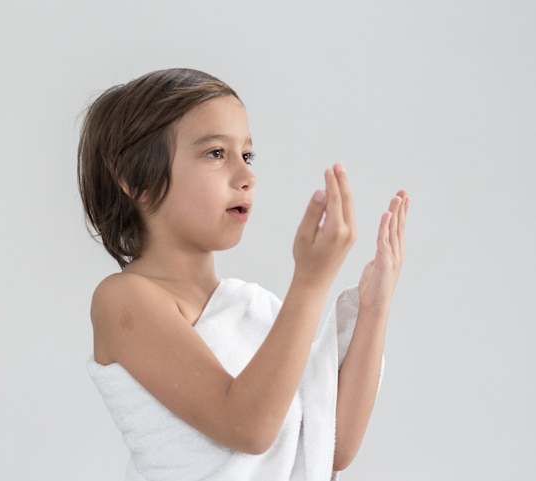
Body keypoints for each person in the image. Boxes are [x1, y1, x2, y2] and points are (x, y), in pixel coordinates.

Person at [78, 68, 409, 481]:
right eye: (216, 153)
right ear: (136, 180)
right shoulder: (124, 299)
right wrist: (310, 282)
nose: (247, 176)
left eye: (247, 155)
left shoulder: (253, 309)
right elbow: (247, 427)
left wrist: (374, 308)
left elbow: (331, 446)